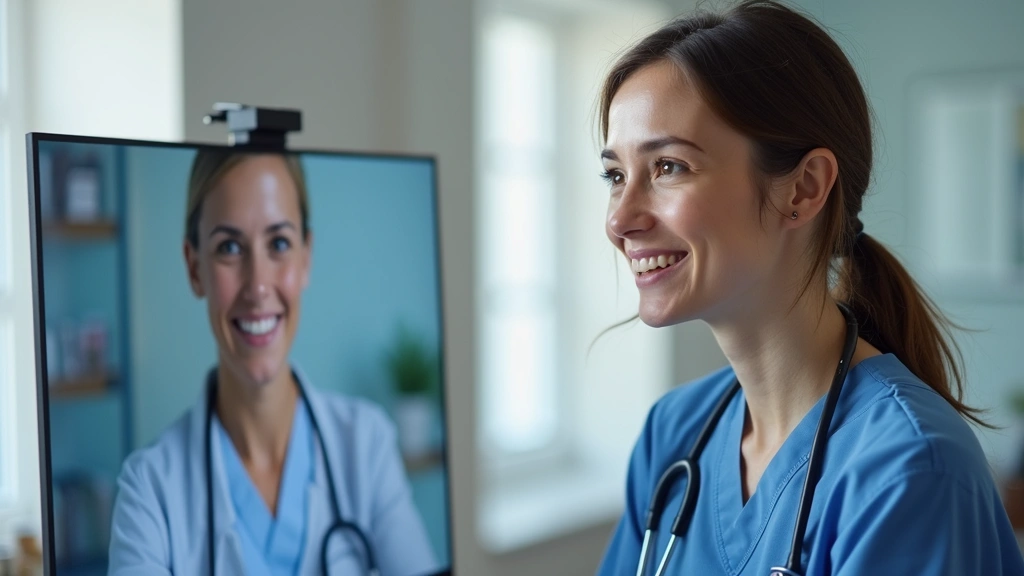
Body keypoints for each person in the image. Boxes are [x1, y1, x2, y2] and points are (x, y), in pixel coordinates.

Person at [595, 1, 1024, 574]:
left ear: (803, 188)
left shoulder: (909, 470)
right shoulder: (672, 433)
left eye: (669, 167)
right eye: (615, 175)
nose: (619, 220)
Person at [107, 150, 439, 575]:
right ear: (194, 268)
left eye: (279, 243)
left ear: (306, 257)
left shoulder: (366, 446)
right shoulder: (149, 493)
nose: (258, 286)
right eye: (229, 247)